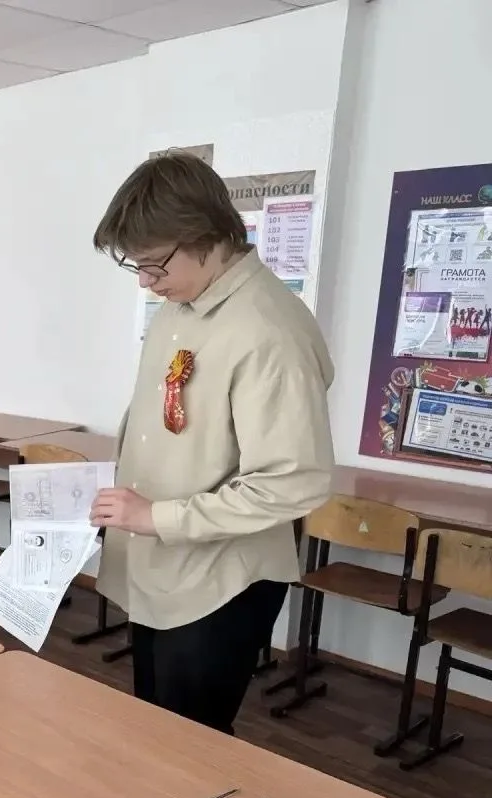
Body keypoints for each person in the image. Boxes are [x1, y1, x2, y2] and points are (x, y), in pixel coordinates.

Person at [89, 152, 335, 737]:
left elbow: (292, 482)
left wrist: (156, 516)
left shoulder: (268, 330)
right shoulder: (181, 305)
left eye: (154, 264)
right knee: (155, 729)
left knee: (190, 748)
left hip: (220, 581)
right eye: (136, 266)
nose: (146, 281)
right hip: (165, 565)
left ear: (205, 235)